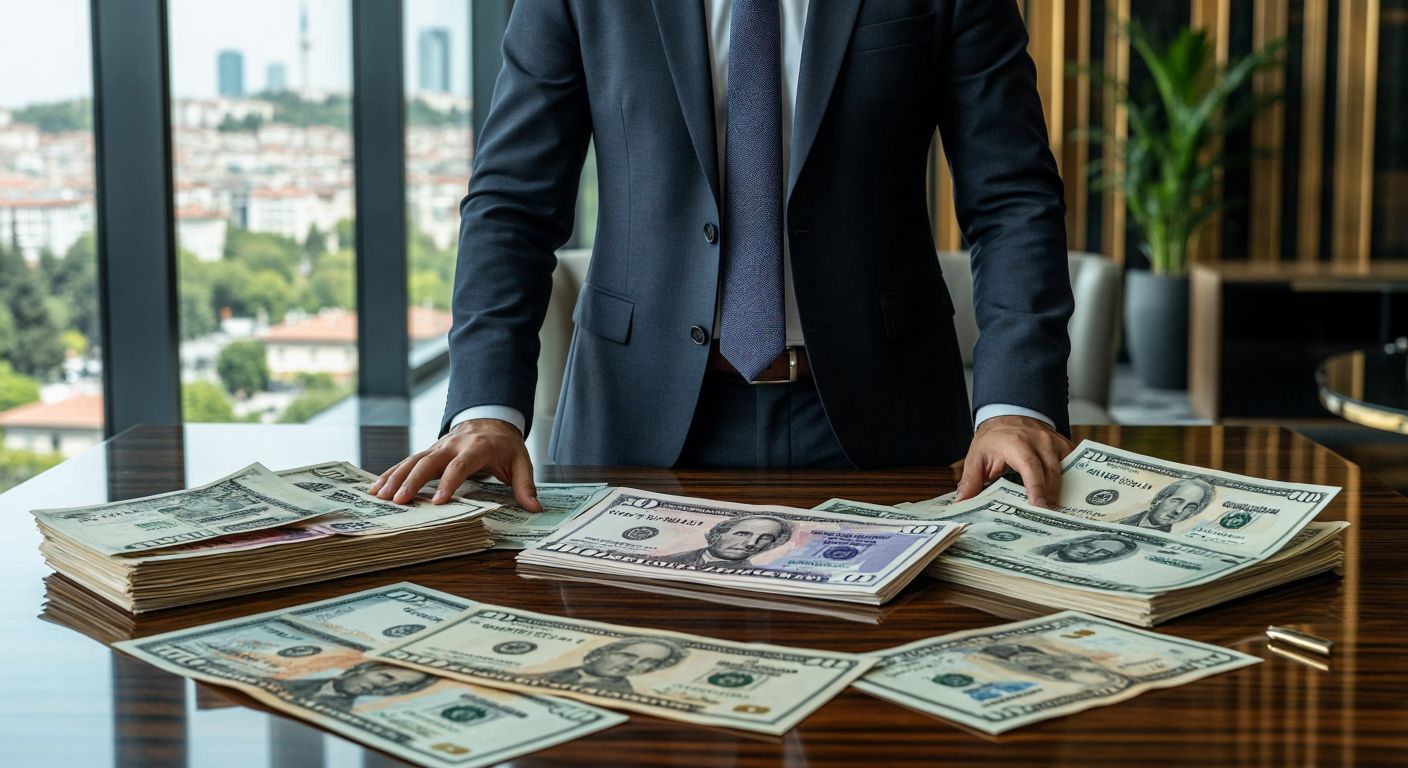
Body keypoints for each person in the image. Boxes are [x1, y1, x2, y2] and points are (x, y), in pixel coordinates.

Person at [371, 0, 1074, 510]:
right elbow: (513, 203)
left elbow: (1012, 197)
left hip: (888, 423)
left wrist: (1016, 403)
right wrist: (486, 410)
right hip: (632, 425)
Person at [533, 638, 687, 694]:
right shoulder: (539, 673)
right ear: (601, 653)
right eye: (627, 655)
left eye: (649, 662)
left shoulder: (626, 693)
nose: (632, 665)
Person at [273, 662, 437, 711]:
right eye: (386, 677)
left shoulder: (345, 710)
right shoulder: (286, 678)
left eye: (399, 686)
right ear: (361, 669)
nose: (383, 686)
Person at [654, 515, 793, 568]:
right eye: (743, 534)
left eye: (766, 538)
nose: (751, 543)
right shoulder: (664, 559)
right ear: (715, 535)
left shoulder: (756, 575)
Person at [1116, 478, 1216, 532]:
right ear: (1160, 499)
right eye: (1177, 501)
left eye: (1190, 507)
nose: (1179, 511)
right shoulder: (1124, 519)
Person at [1035, 533, 1139, 564]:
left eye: (1103, 553)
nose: (1089, 553)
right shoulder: (1038, 550)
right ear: (1078, 542)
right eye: (1089, 546)